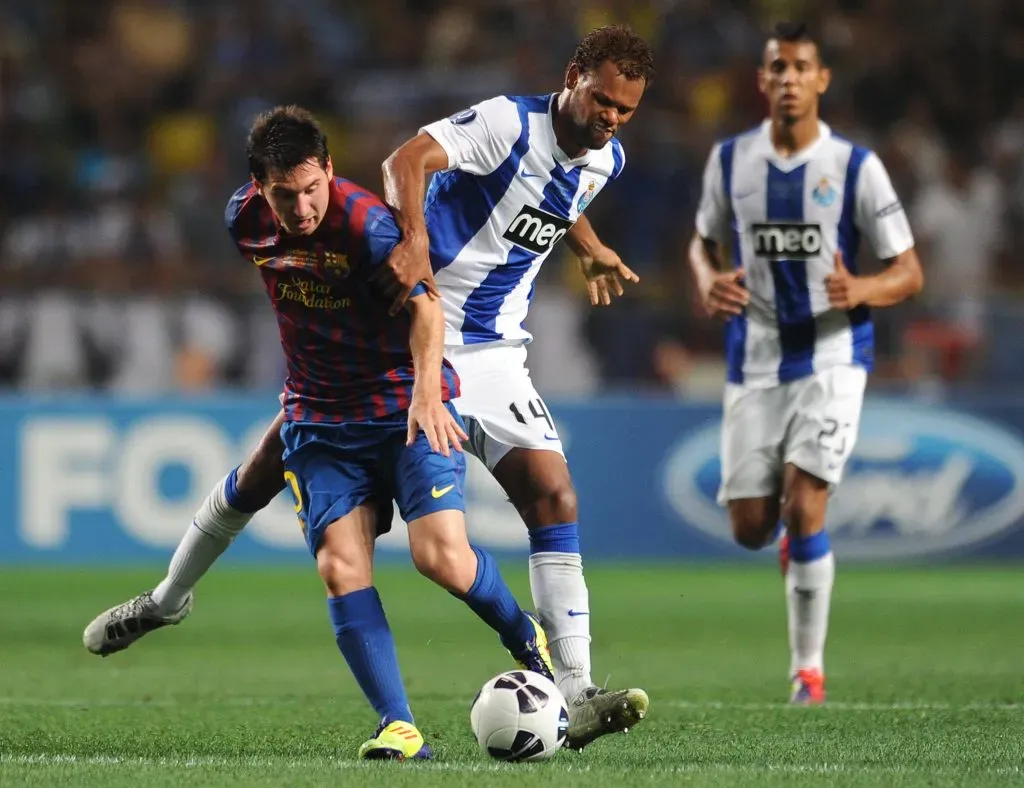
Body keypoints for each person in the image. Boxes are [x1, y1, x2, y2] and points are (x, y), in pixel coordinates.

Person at [85, 24, 652, 750]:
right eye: (602, 100)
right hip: (417, 322)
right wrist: (414, 241)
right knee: (268, 472)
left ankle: (574, 689)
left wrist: (593, 245)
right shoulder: (509, 121)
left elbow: (550, 193)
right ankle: (166, 600)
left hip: (493, 349)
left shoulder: (607, 159)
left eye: (624, 110)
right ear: (575, 76)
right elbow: (408, 159)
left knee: (551, 495)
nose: (610, 118)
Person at [688, 22, 924, 704]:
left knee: (805, 501)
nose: (788, 78)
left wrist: (866, 289)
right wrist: (705, 278)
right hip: (753, 361)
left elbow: (908, 270)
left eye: (801, 67)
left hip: (832, 355)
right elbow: (700, 243)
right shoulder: (730, 160)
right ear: (762, 81)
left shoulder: (855, 168)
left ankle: (807, 672)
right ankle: (791, 541)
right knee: (751, 527)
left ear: (821, 80)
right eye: (777, 68)